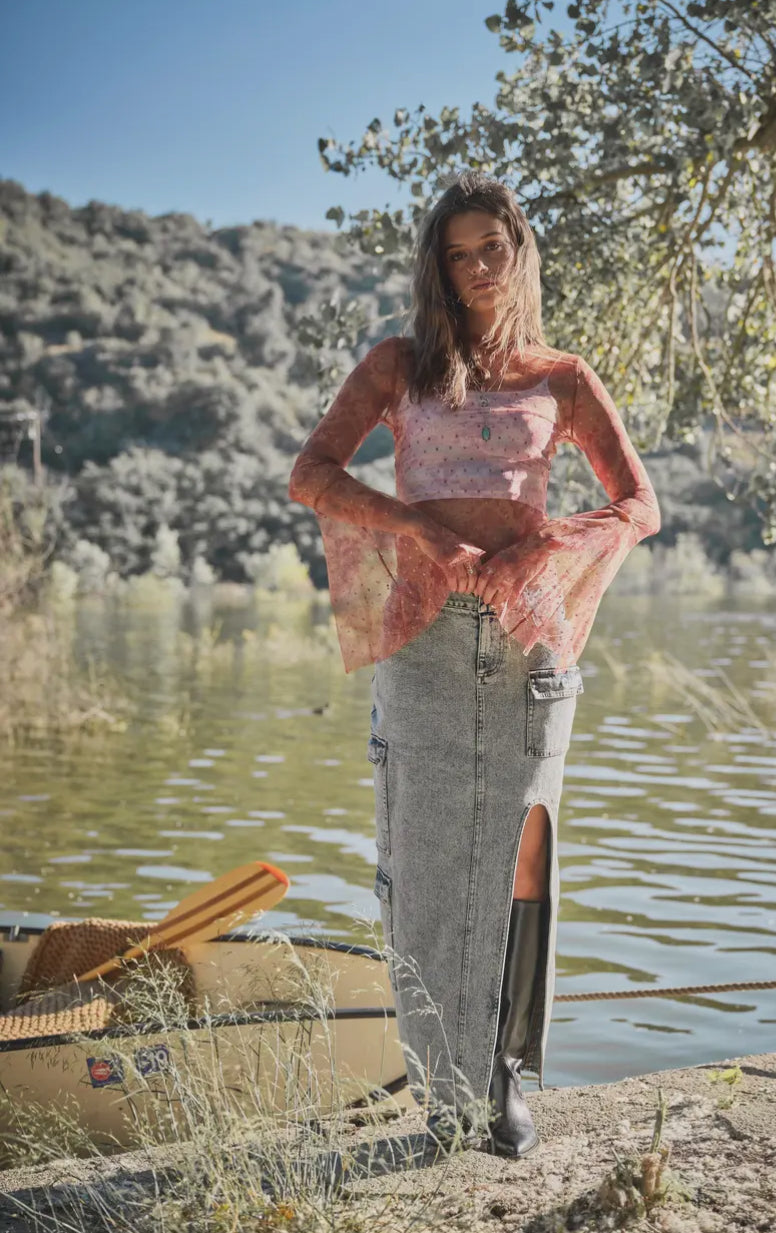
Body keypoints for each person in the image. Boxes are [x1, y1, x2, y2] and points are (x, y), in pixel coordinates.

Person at [287, 170, 661, 1157]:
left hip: (529, 639)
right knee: (423, 864)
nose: (478, 268)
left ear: (519, 251)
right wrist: (413, 528)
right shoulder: (397, 365)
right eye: (458, 255)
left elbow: (640, 504)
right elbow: (310, 473)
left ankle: (502, 1076)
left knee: (522, 850)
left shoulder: (563, 377)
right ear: (438, 269)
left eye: (492, 247)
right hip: (425, 639)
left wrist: (550, 547)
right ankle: (443, 1092)